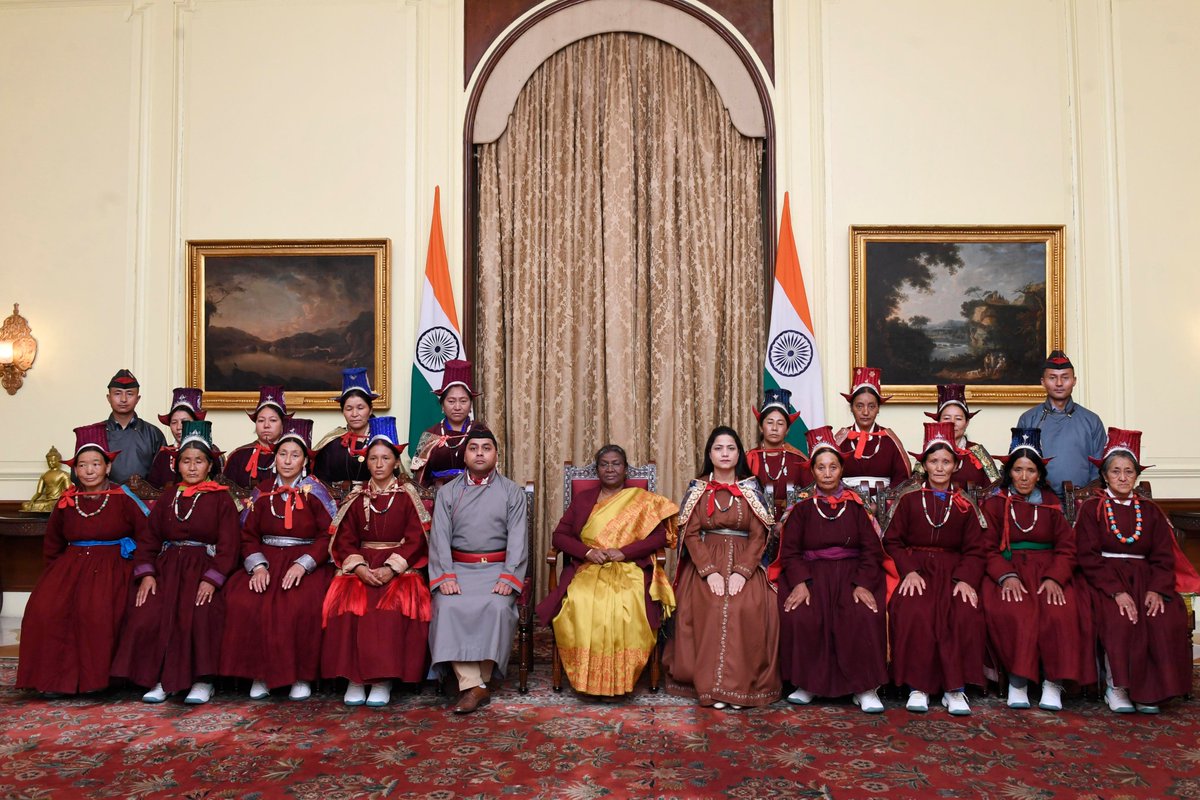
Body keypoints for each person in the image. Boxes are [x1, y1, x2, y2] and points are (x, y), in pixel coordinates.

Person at [110, 420, 240, 704]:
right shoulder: (169, 496)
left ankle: (203, 680)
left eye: (199, 461)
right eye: (186, 461)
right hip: (167, 569)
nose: (192, 467)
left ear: (210, 466)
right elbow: (148, 541)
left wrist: (212, 579)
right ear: (177, 465)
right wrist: (147, 574)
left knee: (200, 613)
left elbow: (230, 547)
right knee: (150, 611)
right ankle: (160, 678)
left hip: (204, 568)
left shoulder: (222, 500)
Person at [15, 424, 150, 695]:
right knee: (45, 611)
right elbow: (53, 543)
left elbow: (148, 537)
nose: (89, 470)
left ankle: (95, 681)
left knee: (95, 614)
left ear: (108, 468)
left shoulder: (123, 497)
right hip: (71, 566)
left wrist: (143, 572)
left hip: (114, 568)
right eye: (82, 465)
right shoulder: (67, 500)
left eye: (96, 464)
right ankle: (53, 680)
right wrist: (56, 578)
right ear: (75, 470)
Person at [535, 444, 678, 698]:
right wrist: (587, 552)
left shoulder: (639, 500)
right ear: (597, 469)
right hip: (588, 567)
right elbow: (559, 536)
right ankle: (587, 677)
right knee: (581, 600)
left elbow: (659, 538)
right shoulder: (583, 500)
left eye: (616, 464)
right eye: (604, 464)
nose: (610, 469)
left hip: (629, 567)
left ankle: (621, 677)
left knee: (627, 602)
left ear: (625, 469)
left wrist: (626, 552)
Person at [1075, 428, 1196, 713]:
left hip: (1146, 578)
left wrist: (1156, 589)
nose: (1122, 477)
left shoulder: (1150, 511)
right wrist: (1116, 592)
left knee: (1162, 615)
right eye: (1115, 471)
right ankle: (1116, 687)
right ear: (1104, 475)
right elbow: (1088, 557)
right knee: (1120, 617)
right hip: (1105, 579)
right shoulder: (1092, 508)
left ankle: (1152, 691)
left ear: (1136, 476)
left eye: (1129, 471)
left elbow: (1163, 556)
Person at [770, 426, 888, 713]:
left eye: (832, 467)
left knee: (862, 613)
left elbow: (872, 551)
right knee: (802, 615)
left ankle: (865, 687)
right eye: (820, 467)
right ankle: (806, 684)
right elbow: (790, 551)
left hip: (853, 575)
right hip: (811, 575)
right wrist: (800, 582)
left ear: (841, 469)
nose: (826, 473)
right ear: (812, 470)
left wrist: (862, 584)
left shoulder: (858, 505)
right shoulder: (801, 507)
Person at [664, 426, 781, 709]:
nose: (725, 453)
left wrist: (742, 571)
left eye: (730, 448)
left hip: (745, 561)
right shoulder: (698, 489)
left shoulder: (751, 488)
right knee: (712, 605)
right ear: (709, 454)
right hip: (706, 560)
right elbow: (689, 534)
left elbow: (760, 534)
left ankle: (740, 688)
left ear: (739, 453)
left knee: (748, 607)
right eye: (718, 448)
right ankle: (712, 689)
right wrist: (709, 571)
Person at [221, 417, 337, 701]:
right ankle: (259, 673)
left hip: (305, 561)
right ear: (275, 459)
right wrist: (258, 566)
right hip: (268, 559)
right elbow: (247, 535)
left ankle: (300, 675)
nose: (288, 460)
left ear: (304, 462)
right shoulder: (262, 491)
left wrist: (304, 564)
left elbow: (329, 535)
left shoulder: (316, 491)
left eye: (295, 455)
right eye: (283, 454)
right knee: (245, 600)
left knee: (301, 603)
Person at [322, 416, 433, 707]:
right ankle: (355, 678)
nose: (380, 464)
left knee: (388, 610)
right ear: (366, 462)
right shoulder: (356, 497)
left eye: (386, 458)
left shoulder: (408, 496)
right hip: (362, 564)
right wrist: (359, 567)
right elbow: (344, 539)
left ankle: (382, 679)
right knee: (347, 605)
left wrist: (390, 568)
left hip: (398, 567)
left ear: (397, 462)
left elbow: (417, 539)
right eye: (373, 458)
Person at [981, 428, 1094, 711]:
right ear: (1009, 472)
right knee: (1017, 611)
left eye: (1030, 470)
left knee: (1060, 611)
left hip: (1048, 572)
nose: (1023, 476)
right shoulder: (995, 504)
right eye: (1017, 470)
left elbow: (1068, 548)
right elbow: (986, 548)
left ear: (1039, 475)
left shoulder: (1051, 504)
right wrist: (1006, 576)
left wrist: (1056, 578)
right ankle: (1018, 681)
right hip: (1008, 572)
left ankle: (1052, 682)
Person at [884, 422, 987, 715]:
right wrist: (910, 570)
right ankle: (918, 686)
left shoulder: (965, 505)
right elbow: (892, 541)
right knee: (915, 610)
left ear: (955, 465)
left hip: (953, 572)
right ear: (924, 464)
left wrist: (966, 579)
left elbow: (976, 550)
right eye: (933, 461)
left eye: (946, 462)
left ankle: (956, 688)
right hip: (917, 571)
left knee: (963, 610)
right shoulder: (908, 499)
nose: (940, 468)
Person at [427, 427, 528, 713]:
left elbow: (519, 539)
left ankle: (472, 683)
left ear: (496, 454)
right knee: (446, 607)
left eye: (486, 447)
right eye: (474, 448)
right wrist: (445, 576)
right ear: (465, 454)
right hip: (458, 569)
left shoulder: (512, 492)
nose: (480, 453)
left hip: (497, 571)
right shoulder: (448, 493)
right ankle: (476, 686)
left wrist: (509, 577)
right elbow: (439, 538)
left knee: (496, 608)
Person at [1015, 351, 1106, 499]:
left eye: (1065, 378)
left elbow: (1099, 470)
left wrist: (1086, 498)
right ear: (1043, 381)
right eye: (1052, 378)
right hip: (1038, 501)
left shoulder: (1091, 420)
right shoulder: (1028, 419)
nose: (1059, 383)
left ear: (1074, 381)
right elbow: (1018, 465)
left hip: (1081, 500)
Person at [410, 360, 486, 488]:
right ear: (442, 405)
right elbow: (418, 479)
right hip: (437, 498)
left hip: (476, 496)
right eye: (451, 401)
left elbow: (490, 470)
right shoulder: (429, 435)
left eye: (463, 401)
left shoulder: (481, 432)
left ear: (470, 404)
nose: (457, 407)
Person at [834, 367, 910, 494]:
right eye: (859, 406)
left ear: (878, 408)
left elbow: (902, 478)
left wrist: (882, 500)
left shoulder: (889, 439)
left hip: (884, 506)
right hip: (846, 504)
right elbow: (829, 476)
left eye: (871, 406)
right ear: (851, 408)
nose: (865, 412)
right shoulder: (840, 440)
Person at [915, 384, 999, 490]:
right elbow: (915, 484)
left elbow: (995, 486)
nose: (952, 423)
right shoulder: (929, 450)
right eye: (946, 418)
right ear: (938, 421)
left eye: (958, 419)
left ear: (967, 422)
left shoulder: (978, 451)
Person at [746, 388, 813, 511]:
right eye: (770, 422)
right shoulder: (749, 458)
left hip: (792, 521)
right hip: (756, 521)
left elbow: (810, 495)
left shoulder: (799, 459)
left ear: (787, 430)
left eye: (781, 423)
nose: (775, 428)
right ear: (761, 427)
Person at [313, 368, 379, 493]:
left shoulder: (381, 440)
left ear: (370, 410)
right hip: (337, 505)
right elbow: (320, 481)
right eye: (349, 408)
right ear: (342, 411)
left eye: (360, 408)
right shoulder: (332, 443)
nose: (354, 414)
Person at [100, 369, 166, 485]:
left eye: (130, 394)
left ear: (138, 399)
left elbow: (163, 475)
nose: (124, 399)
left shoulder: (153, 434)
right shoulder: (97, 432)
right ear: (108, 398)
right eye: (117, 393)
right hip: (106, 499)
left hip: (144, 501)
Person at [224, 386, 290, 490]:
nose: (266, 425)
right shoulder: (238, 456)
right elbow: (226, 495)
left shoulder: (290, 457)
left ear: (283, 424)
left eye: (273, 420)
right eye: (261, 420)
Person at [147, 387, 212, 489]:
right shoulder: (163, 455)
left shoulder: (210, 453)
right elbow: (151, 490)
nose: (179, 427)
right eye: (174, 422)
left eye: (184, 422)